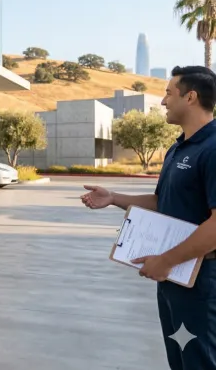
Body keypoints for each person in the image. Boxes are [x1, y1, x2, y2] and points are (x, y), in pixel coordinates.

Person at [81, 65, 216, 369]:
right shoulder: (177, 148)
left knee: (201, 361)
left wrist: (166, 260)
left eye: (169, 93)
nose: (163, 101)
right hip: (172, 277)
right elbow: (161, 202)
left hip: (202, 281)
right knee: (180, 360)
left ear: (190, 97)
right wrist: (113, 198)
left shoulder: (213, 148)